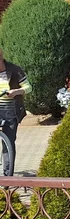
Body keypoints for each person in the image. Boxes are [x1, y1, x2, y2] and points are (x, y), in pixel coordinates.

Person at [0, 47, 31, 177]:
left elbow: (28, 87)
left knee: (8, 141)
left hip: (11, 109)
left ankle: (7, 177)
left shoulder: (14, 69)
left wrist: (16, 92)